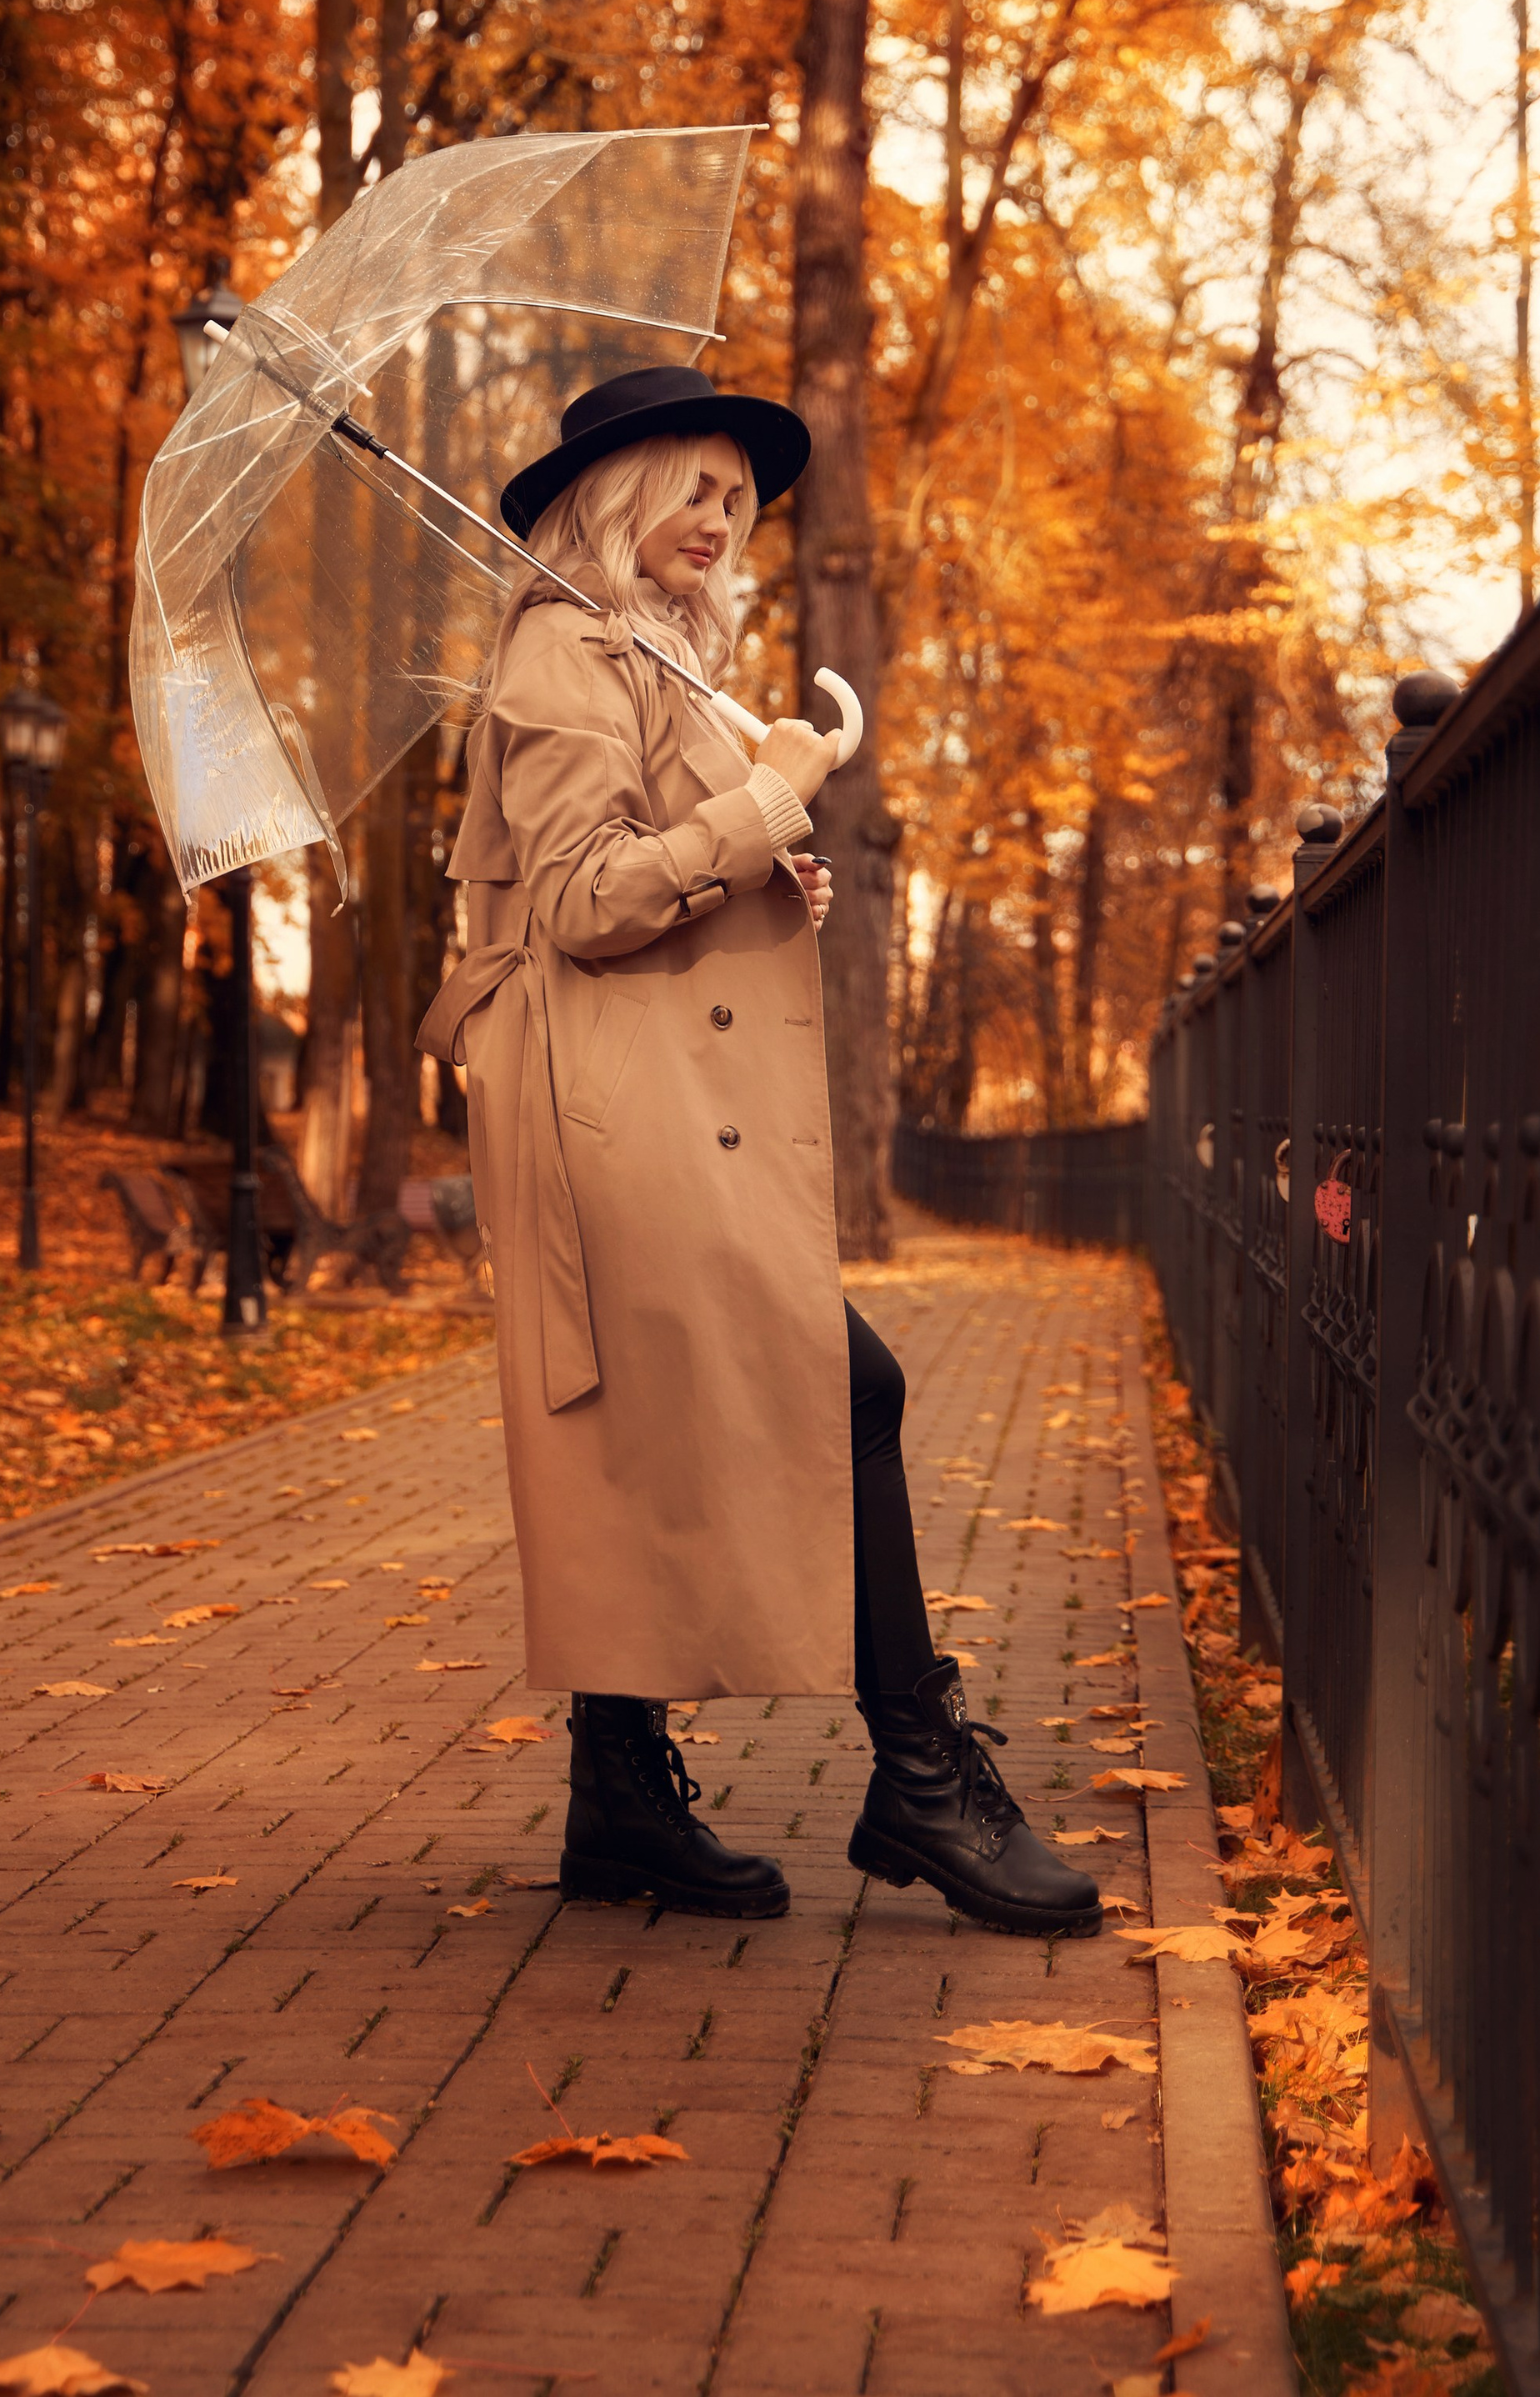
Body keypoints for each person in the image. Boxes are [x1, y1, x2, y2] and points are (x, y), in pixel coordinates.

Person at [419, 367, 1098, 1936]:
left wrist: (766, 875)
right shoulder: (559, 657)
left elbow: (652, 877)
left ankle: (617, 1799)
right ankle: (920, 1777)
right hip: (602, 1107)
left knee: (641, 1432)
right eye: (694, 485)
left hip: (648, 1086)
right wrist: (772, 798)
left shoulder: (645, 658)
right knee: (839, 1381)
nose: (723, 516)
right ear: (610, 496)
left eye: (740, 495)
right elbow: (584, 900)